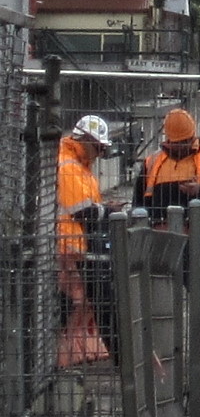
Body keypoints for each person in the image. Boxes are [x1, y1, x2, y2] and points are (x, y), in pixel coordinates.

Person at [140, 108, 200, 366]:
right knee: (158, 299)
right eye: (175, 143)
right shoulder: (152, 163)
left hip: (198, 238)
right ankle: (158, 352)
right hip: (161, 239)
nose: (179, 147)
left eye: (184, 143)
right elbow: (140, 202)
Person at [57, 115, 122, 367]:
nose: (99, 154)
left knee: (91, 303)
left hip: (79, 248)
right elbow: (83, 211)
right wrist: (108, 209)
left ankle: (73, 355)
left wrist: (102, 209)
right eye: (98, 148)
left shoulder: (79, 166)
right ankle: (118, 356)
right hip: (70, 249)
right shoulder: (69, 167)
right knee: (81, 304)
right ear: (84, 140)